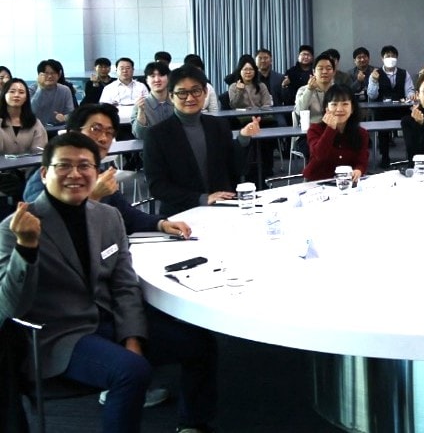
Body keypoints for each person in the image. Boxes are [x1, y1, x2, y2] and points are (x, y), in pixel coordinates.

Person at [0, 132, 219, 433]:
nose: (75, 174)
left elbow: (124, 285)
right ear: (44, 172)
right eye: (64, 165)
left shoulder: (107, 216)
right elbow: (10, 307)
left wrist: (133, 337)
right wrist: (26, 248)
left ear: (96, 171)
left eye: (84, 166)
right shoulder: (15, 228)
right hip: (58, 335)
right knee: (131, 371)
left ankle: (192, 424)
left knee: (199, 343)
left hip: (108, 321)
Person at [23, 104, 191, 237]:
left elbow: (126, 214)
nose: (103, 138)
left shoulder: (99, 172)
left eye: (109, 133)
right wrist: (94, 196)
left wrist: (160, 224)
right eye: (95, 129)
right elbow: (48, 229)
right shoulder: (48, 177)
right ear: (73, 132)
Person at [143, 65, 261, 218]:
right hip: (181, 215)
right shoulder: (157, 135)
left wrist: (243, 138)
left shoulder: (219, 125)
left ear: (205, 92)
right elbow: (157, 186)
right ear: (171, 96)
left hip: (223, 208)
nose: (190, 98)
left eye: (196, 91)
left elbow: (235, 169)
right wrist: (202, 198)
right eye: (182, 93)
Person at [304, 84, 369, 182]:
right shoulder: (315, 130)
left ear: (352, 109)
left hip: (347, 182)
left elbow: (362, 161)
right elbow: (319, 155)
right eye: (334, 104)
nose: (339, 109)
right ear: (326, 108)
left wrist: (359, 170)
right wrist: (330, 128)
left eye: (345, 104)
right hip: (317, 183)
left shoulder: (362, 133)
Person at [0, 78, 47, 155]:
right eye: (12, 91)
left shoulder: (35, 123)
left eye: (21, 92)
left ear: (26, 98)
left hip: (30, 163)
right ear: (4, 95)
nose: (16, 95)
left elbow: (40, 152)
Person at [99, 57, 150, 123]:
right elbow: (103, 108)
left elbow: (148, 105)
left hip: (138, 123)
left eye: (128, 68)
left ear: (133, 70)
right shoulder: (108, 88)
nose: (125, 71)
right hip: (116, 123)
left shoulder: (141, 86)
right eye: (121, 68)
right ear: (116, 70)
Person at [132, 62, 174, 141]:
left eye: (161, 75)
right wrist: (141, 111)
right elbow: (139, 135)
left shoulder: (177, 100)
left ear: (168, 78)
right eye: (152, 76)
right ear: (147, 80)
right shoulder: (140, 104)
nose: (157, 80)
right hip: (152, 146)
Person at [294, 54, 336, 128]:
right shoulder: (303, 90)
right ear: (314, 72)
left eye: (328, 68)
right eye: (320, 68)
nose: (324, 72)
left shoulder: (338, 91)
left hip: (334, 128)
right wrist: (309, 90)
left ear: (334, 72)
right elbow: (299, 111)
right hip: (311, 130)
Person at [29, 59, 75, 126]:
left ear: (59, 75)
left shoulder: (65, 90)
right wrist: (40, 88)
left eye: (53, 73)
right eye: (46, 73)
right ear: (39, 75)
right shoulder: (31, 90)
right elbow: (31, 111)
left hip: (58, 128)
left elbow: (72, 114)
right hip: (36, 128)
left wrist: (64, 117)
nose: (50, 76)